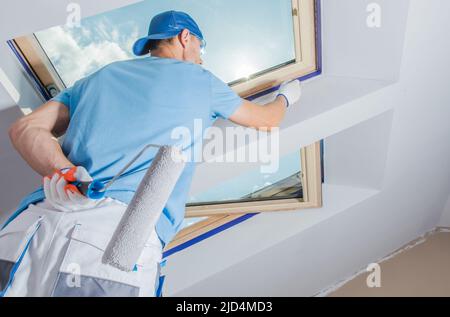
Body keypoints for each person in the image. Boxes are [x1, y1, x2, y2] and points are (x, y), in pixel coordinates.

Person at [1, 10, 302, 297]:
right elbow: (267, 120)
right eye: (200, 48)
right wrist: (286, 97)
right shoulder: (201, 81)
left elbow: (25, 129)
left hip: (31, 227)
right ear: (185, 37)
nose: (200, 57)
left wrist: (65, 172)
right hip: (114, 239)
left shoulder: (98, 77)